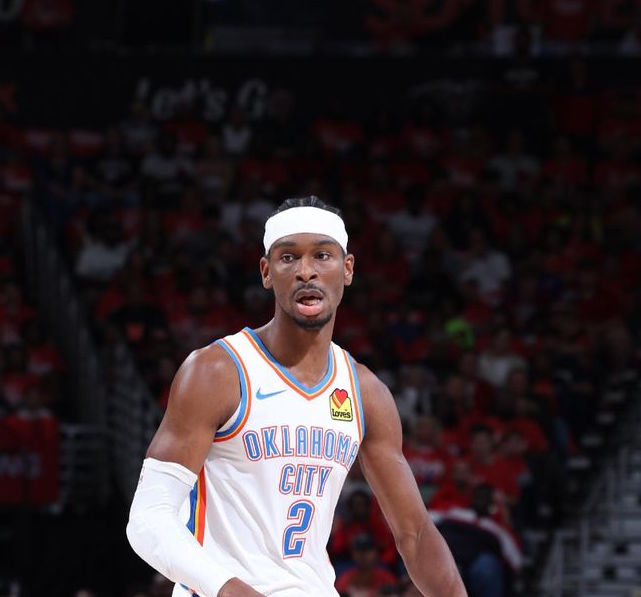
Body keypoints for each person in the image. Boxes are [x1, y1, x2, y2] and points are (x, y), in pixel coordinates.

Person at [126, 197, 466, 597]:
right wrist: (232, 591)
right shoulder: (217, 371)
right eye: (289, 258)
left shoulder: (365, 392)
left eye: (322, 255)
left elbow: (416, 533)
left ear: (348, 268)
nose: (307, 271)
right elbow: (148, 521)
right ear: (267, 272)